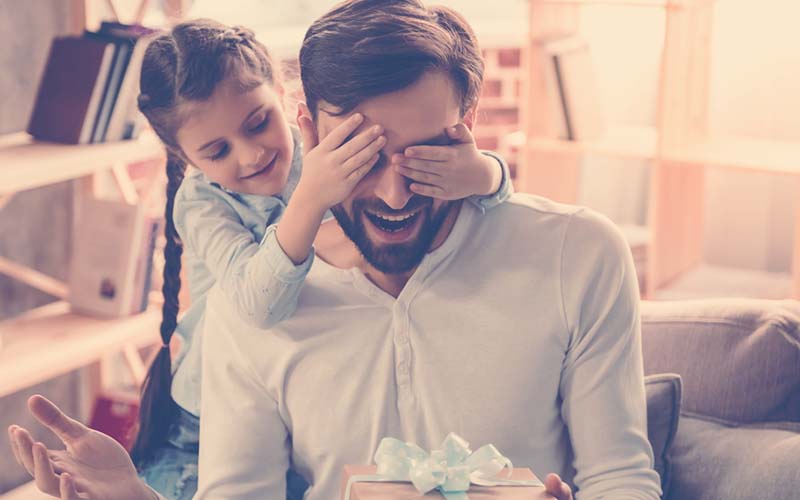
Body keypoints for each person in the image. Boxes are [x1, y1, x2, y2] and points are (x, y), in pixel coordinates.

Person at [8, 1, 662, 499]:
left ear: (465, 123)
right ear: (312, 130)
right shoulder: (255, 296)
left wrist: (488, 173)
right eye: (363, 152)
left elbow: (621, 475)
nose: (395, 190)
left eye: (423, 151)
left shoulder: (580, 256)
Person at [121, 18, 513, 500]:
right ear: (184, 157)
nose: (250, 155)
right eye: (217, 150)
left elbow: (491, 199)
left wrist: (484, 172)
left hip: (296, 404)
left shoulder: (320, 150)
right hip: (206, 422)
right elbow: (259, 307)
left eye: (258, 122)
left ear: (283, 96)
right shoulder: (201, 203)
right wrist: (311, 199)